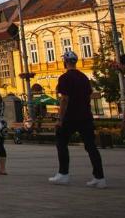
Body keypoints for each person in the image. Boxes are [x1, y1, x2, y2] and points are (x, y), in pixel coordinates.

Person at [48, 50, 106, 188]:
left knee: (61, 143)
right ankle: (100, 177)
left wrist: (60, 119)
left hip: (70, 116)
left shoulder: (64, 78)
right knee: (91, 146)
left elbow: (64, 99)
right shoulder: (84, 77)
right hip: (85, 116)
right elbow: (88, 95)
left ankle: (63, 174)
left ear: (65, 62)